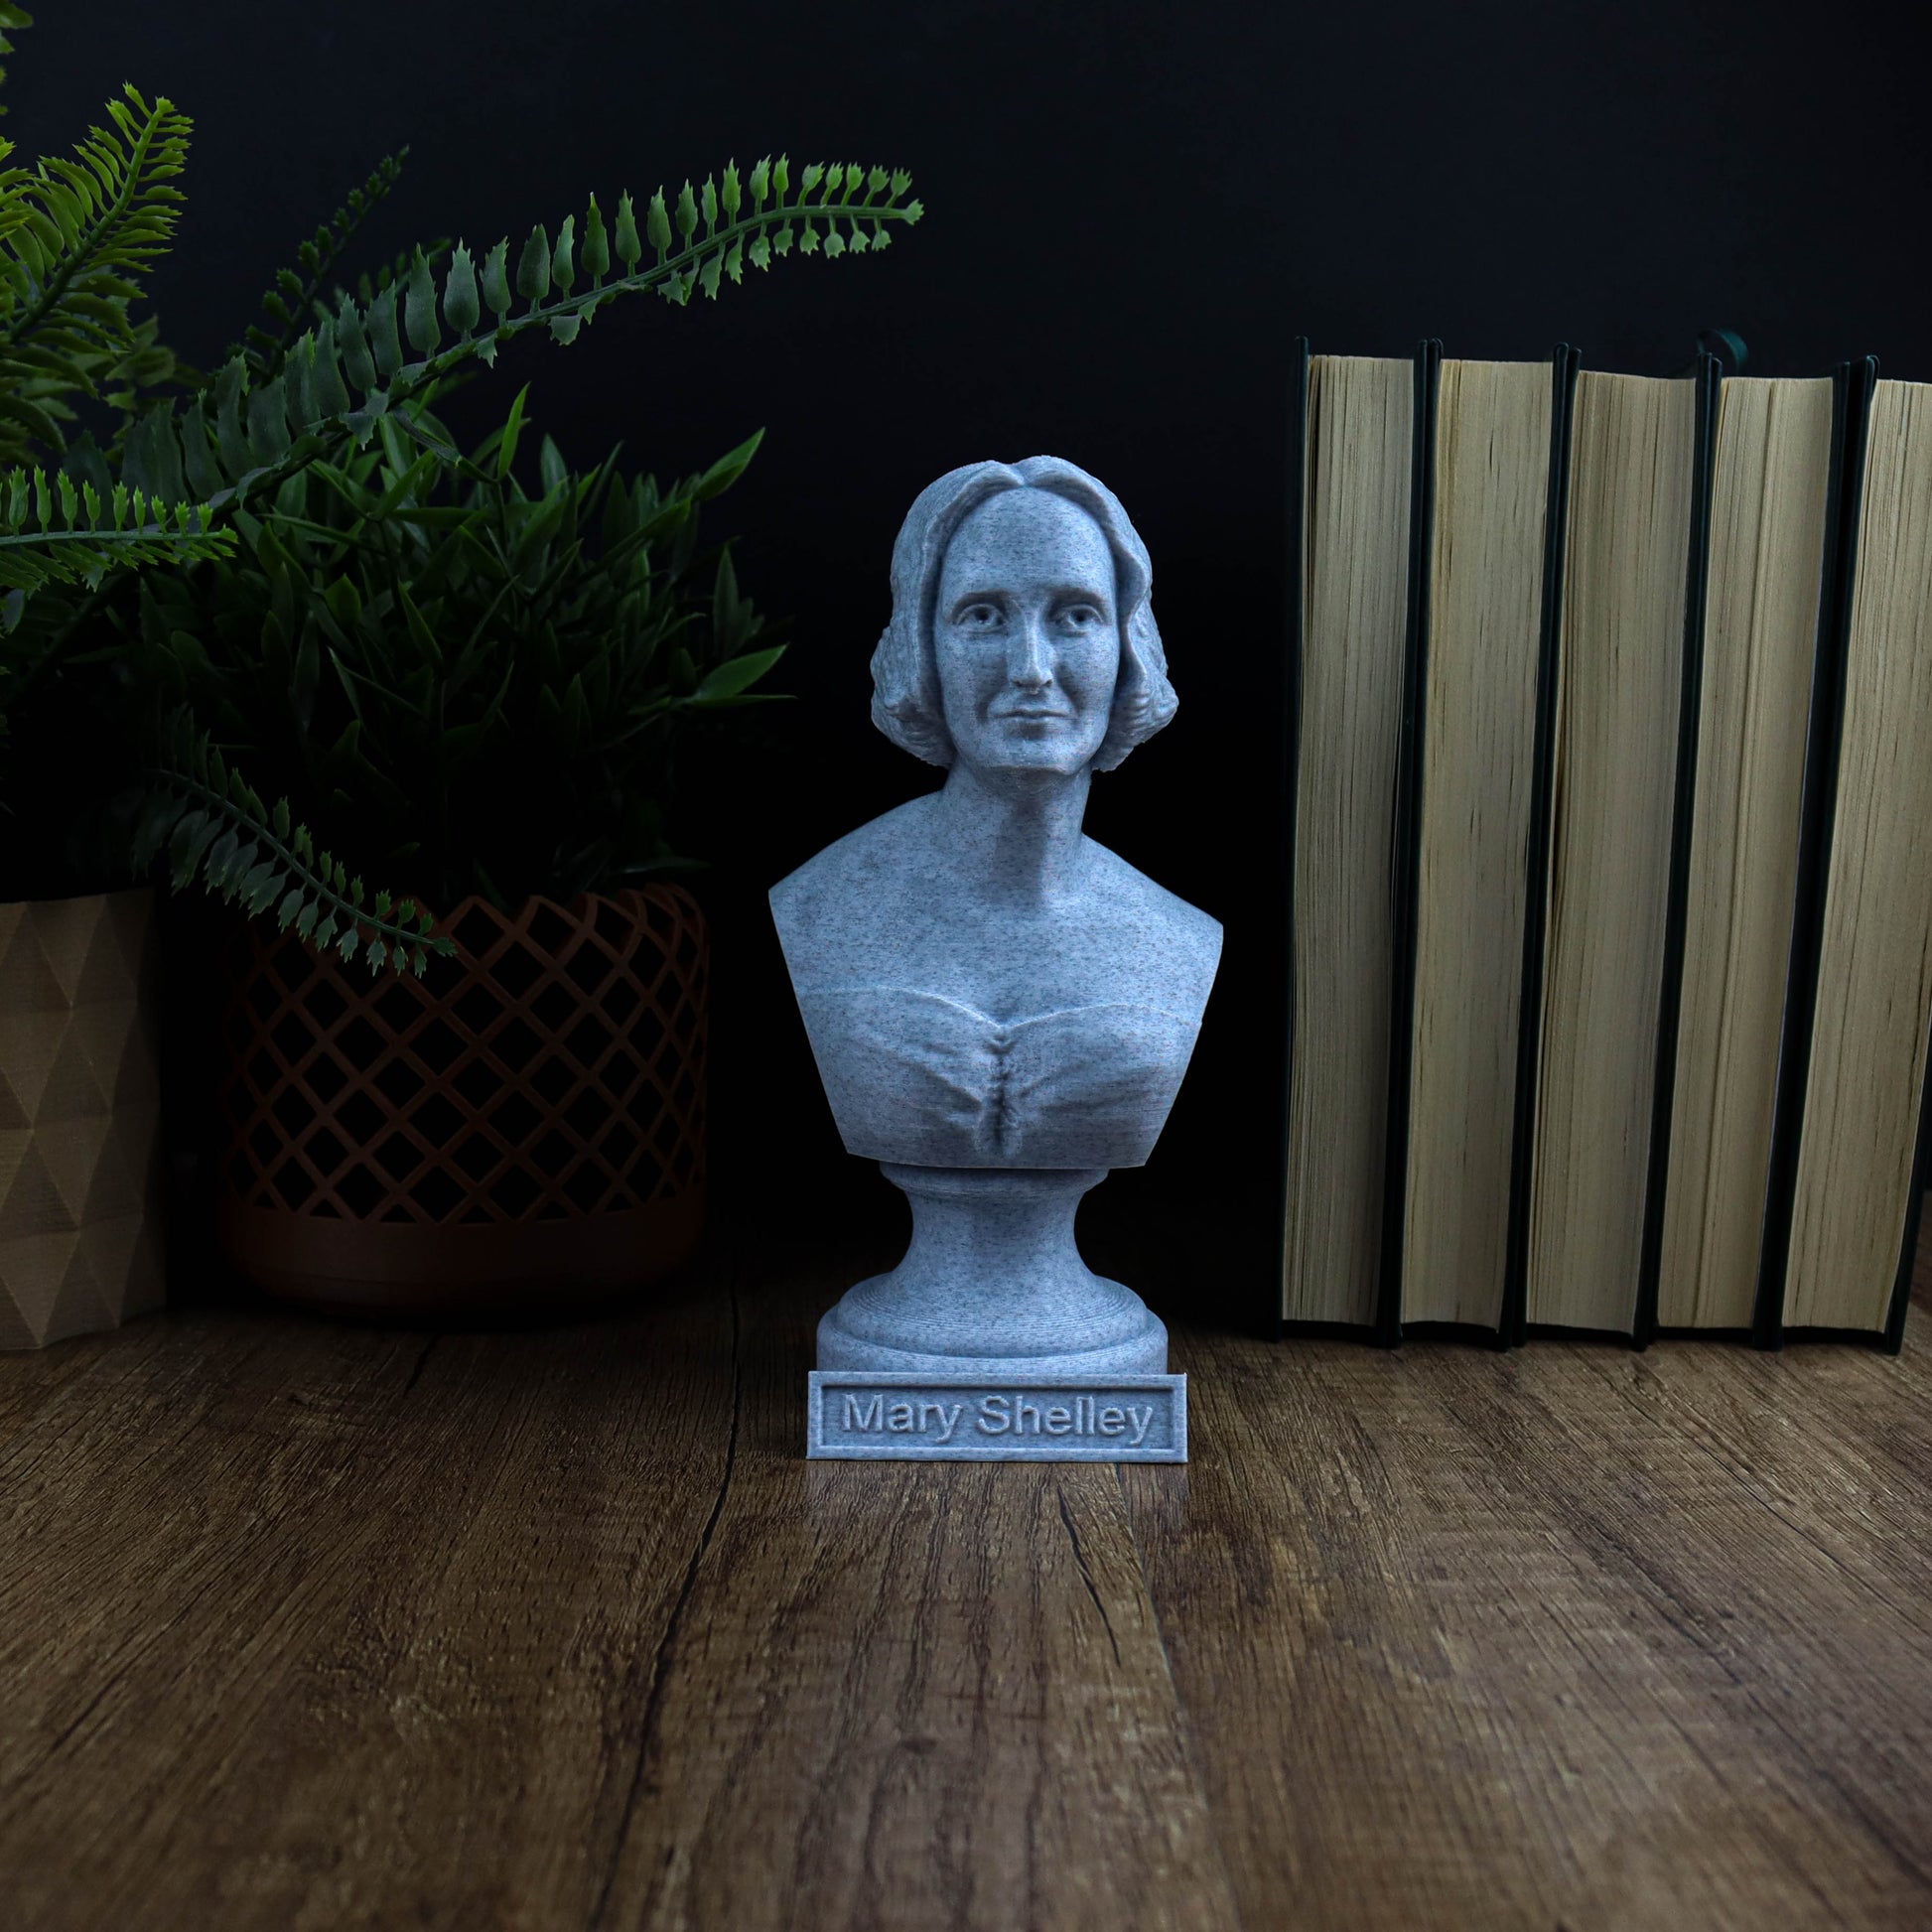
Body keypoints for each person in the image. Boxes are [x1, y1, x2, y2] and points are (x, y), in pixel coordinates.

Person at [771, 456, 1221, 1174]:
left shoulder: (1176, 936)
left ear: (1127, 648)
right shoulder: (821, 907)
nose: (1032, 668)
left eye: (1076, 616)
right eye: (984, 617)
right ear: (926, 649)